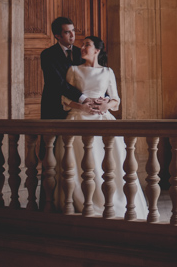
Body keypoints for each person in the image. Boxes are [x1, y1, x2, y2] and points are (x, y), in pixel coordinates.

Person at [56, 36, 148, 218]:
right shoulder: (73, 70)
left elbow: (116, 99)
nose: (82, 47)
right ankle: (83, 201)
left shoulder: (107, 72)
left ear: (97, 50)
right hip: (78, 120)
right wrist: (81, 106)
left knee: (110, 162)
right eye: (82, 45)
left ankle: (114, 201)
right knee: (79, 164)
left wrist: (106, 105)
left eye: (87, 45)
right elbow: (65, 99)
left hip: (102, 119)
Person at [40, 17, 106, 119]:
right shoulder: (47, 55)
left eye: (73, 30)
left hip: (82, 110)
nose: (72, 35)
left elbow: (95, 76)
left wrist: (104, 98)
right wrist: (83, 99)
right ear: (58, 36)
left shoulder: (81, 53)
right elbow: (58, 83)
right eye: (67, 32)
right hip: (55, 107)